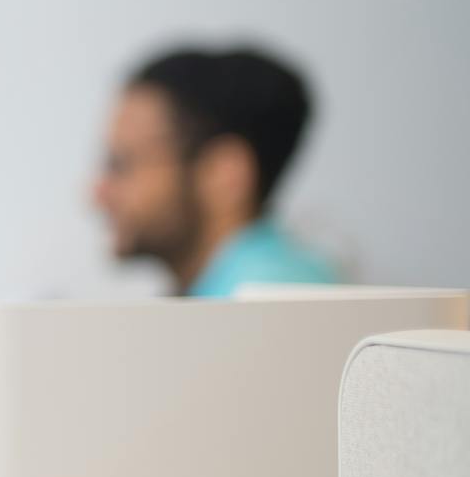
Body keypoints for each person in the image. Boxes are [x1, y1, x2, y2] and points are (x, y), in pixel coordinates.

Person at [93, 45, 339, 296]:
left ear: (225, 174)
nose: (97, 194)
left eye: (121, 165)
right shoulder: (234, 299)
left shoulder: (271, 304)